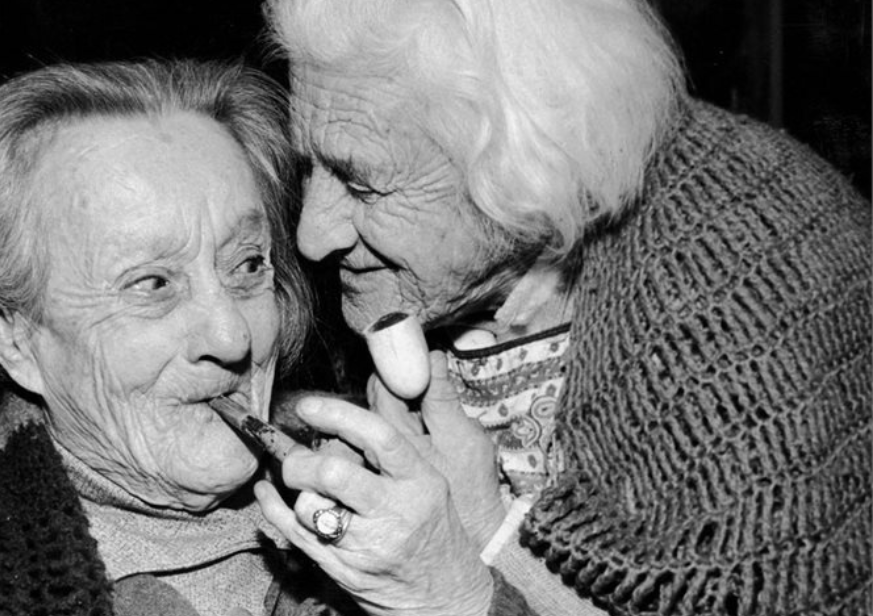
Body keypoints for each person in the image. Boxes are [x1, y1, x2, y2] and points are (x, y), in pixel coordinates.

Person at [0, 58, 535, 616]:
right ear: (10, 332)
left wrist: (453, 592)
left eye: (246, 266)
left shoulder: (391, 502)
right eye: (152, 285)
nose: (232, 334)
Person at [260, 0, 872, 615]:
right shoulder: (430, 258)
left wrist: (461, 580)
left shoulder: (732, 315)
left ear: (519, 166)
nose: (313, 234)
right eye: (310, 165)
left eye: (362, 183)